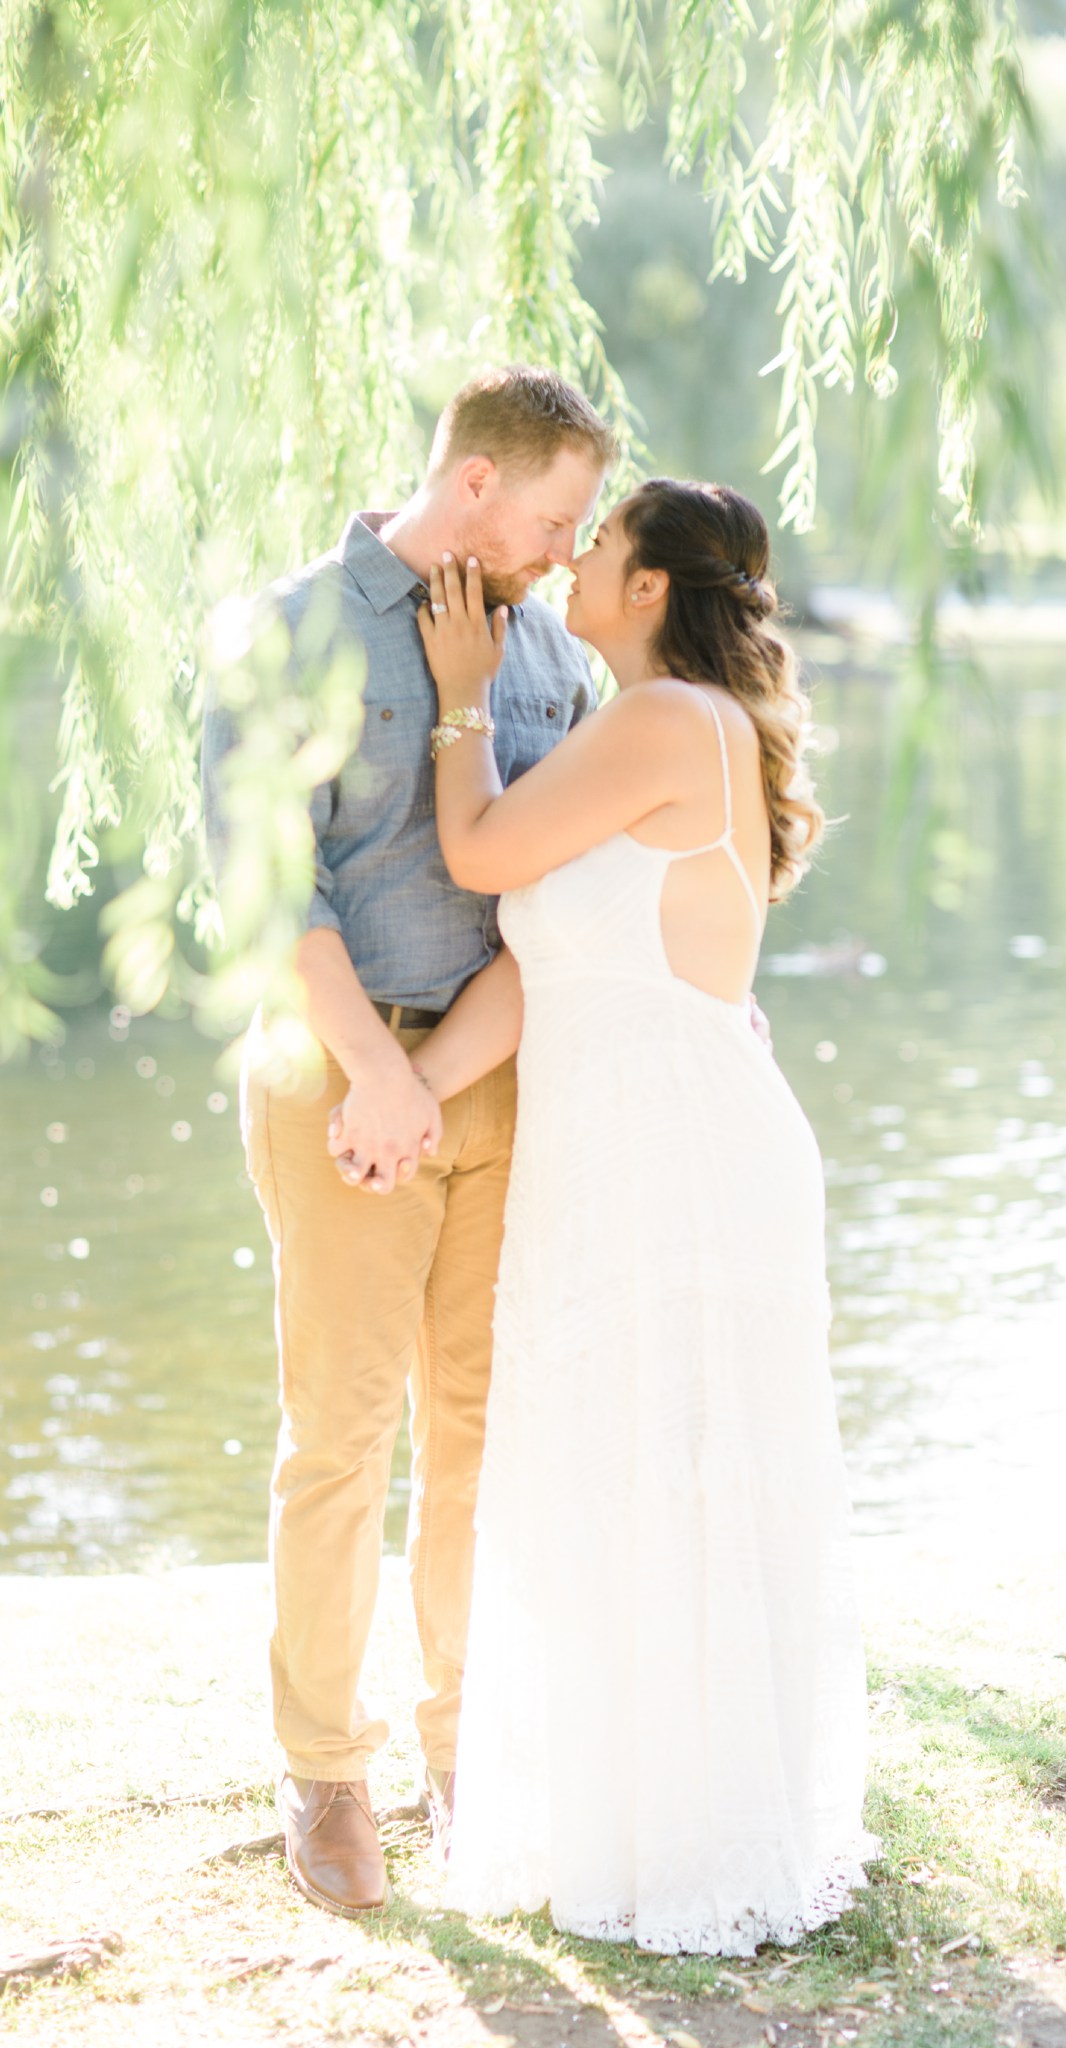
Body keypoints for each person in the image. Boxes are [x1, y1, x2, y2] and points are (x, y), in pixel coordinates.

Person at [389, 478, 874, 1954]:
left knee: (678, 1472)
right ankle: (614, 1812)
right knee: (610, 1468)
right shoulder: (656, 733)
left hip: (674, 1150)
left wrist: (462, 697)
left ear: (652, 585)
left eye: (600, 544)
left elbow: (476, 859)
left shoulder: (665, 724)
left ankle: (699, 1834)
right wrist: (404, 1087)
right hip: (616, 1145)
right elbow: (547, 970)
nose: (578, 558)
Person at [200, 367, 617, 1918]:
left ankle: (468, 1748)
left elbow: (557, 902)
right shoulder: (284, 635)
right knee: (340, 1435)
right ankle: (324, 1768)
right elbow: (274, 890)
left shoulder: (554, 660)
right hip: (331, 1066)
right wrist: (374, 1074)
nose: (569, 553)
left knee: (480, 1432)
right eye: (557, 518)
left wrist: (433, 1081)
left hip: (491, 1077)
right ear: (477, 490)